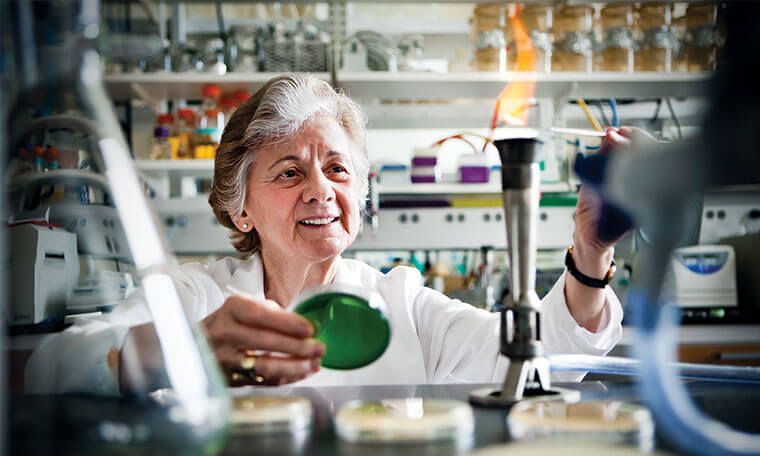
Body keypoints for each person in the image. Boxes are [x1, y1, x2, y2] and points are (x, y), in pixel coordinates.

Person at [26, 74, 626, 394]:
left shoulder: (401, 302)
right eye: (289, 173)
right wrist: (182, 351)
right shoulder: (197, 297)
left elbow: (545, 356)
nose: (320, 190)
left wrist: (591, 250)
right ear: (240, 210)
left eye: (337, 169)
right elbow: (49, 369)